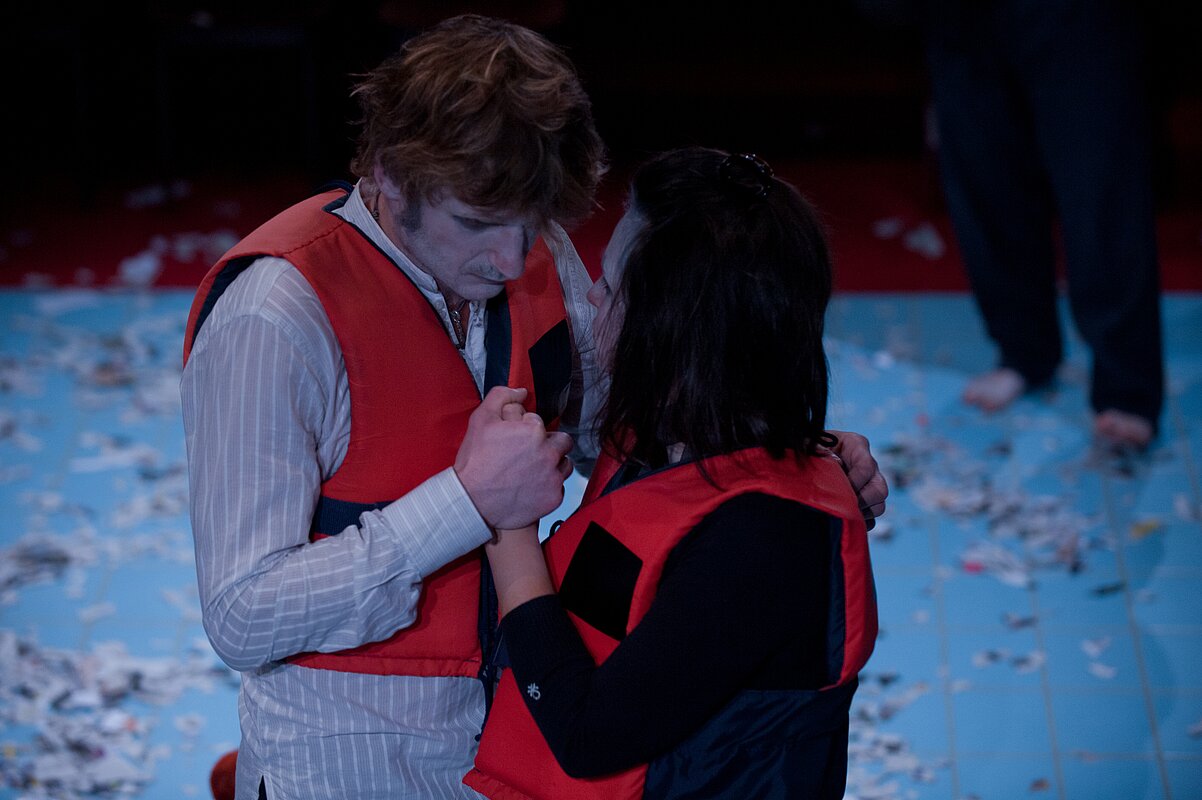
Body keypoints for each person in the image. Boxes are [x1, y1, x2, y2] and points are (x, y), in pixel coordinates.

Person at [182, 16, 887, 800]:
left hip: (523, 739)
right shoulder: (274, 318)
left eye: (536, 221)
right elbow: (242, 619)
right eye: (478, 224)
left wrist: (785, 458)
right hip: (352, 760)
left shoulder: (531, 252)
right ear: (389, 175)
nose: (513, 259)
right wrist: (467, 503)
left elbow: (627, 433)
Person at [465, 148, 878, 800]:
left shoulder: (763, 539)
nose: (592, 295)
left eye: (611, 287)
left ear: (671, 333)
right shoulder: (670, 437)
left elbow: (588, 736)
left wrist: (504, 526)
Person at [921, 0, 1164, 449]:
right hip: (962, 18)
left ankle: (1126, 386)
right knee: (987, 178)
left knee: (1100, 189)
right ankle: (1023, 352)